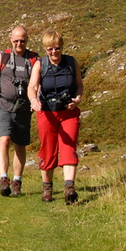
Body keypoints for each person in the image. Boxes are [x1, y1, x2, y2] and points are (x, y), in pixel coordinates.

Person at [0, 26, 39, 197]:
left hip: (23, 108)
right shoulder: (3, 56)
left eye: (22, 41)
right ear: (10, 39)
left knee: (20, 145)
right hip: (3, 105)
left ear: (27, 40)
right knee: (4, 140)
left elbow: (37, 83)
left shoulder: (34, 59)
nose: (19, 44)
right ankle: (3, 178)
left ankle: (17, 181)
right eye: (16, 40)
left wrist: (36, 100)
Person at [28, 29, 84, 204]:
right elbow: (32, 86)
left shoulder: (71, 62)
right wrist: (34, 100)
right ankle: (47, 187)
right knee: (48, 149)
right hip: (47, 113)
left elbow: (79, 84)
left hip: (68, 112)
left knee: (69, 147)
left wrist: (77, 99)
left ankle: (69, 188)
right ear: (45, 49)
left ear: (62, 47)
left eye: (57, 48)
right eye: (50, 49)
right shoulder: (40, 65)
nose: (54, 52)